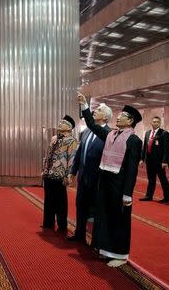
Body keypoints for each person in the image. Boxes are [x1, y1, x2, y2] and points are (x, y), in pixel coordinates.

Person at [77, 91, 142, 268]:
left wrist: (128, 193)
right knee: (104, 217)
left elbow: (131, 170)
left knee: (118, 220)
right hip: (105, 183)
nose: (118, 117)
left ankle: (120, 255)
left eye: (122, 116)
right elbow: (92, 124)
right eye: (119, 115)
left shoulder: (134, 140)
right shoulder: (111, 135)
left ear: (130, 121)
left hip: (119, 187)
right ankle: (106, 250)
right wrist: (84, 106)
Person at [68, 103, 112, 243]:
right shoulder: (86, 131)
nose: (95, 111)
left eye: (99, 110)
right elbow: (79, 153)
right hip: (83, 178)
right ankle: (79, 234)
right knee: (80, 206)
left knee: (96, 211)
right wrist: (73, 171)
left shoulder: (109, 134)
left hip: (98, 179)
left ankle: (96, 240)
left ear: (105, 117)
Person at [42, 115, 78, 236]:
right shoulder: (54, 138)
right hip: (49, 174)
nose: (60, 123)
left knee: (61, 202)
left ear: (69, 128)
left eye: (63, 122)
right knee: (48, 199)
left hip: (60, 175)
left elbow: (71, 160)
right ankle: (48, 223)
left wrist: (68, 176)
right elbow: (48, 155)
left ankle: (62, 225)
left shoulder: (72, 141)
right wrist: (45, 170)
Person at [139, 116, 169, 203]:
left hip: (159, 162)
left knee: (163, 179)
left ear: (160, 123)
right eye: (154, 121)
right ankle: (149, 196)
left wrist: (165, 161)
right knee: (151, 179)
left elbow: (166, 149)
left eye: (157, 122)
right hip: (149, 161)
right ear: (151, 123)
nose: (155, 123)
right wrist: (142, 159)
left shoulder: (164, 133)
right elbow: (145, 147)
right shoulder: (147, 133)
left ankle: (167, 198)